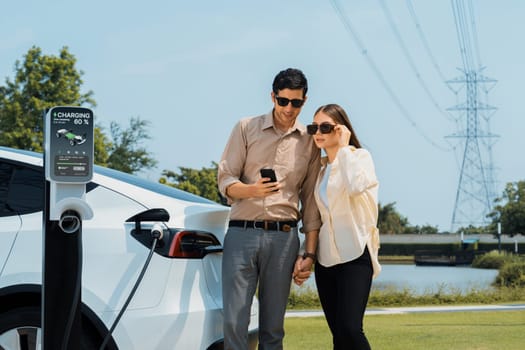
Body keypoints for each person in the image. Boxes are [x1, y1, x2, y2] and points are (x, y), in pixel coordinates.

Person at [217, 68, 321, 350]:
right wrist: (252, 190)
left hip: (284, 239)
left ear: (304, 101)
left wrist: (309, 254)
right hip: (241, 235)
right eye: (283, 101)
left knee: (273, 328)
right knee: (234, 321)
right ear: (272, 97)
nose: (289, 109)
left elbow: (311, 201)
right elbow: (225, 179)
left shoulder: (311, 140)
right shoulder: (245, 127)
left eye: (296, 103)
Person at [305, 103, 381, 350]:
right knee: (338, 335)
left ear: (340, 129)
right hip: (326, 260)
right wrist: (308, 254)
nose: (318, 132)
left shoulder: (360, 157)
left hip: (356, 254)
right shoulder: (321, 169)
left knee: (350, 328)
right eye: (314, 127)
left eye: (325, 127)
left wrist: (345, 147)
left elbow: (356, 186)